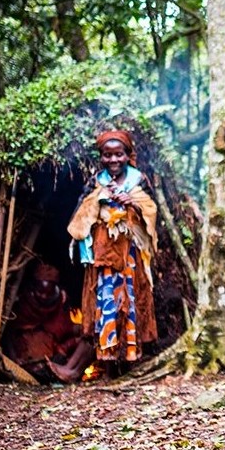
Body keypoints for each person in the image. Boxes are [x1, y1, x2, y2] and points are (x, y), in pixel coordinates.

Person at [67, 130, 158, 373]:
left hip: (130, 257)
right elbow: (79, 217)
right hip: (104, 256)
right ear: (101, 157)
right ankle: (107, 364)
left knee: (129, 302)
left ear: (128, 155)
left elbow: (151, 211)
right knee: (105, 303)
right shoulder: (96, 183)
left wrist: (133, 204)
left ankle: (129, 360)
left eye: (119, 154)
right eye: (108, 155)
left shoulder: (138, 181)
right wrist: (99, 199)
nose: (113, 159)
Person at [5, 264, 92, 383]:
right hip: (30, 353)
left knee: (87, 339)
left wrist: (85, 329)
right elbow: (9, 332)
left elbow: (64, 327)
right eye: (41, 292)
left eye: (48, 293)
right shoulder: (24, 304)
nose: (44, 296)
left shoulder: (59, 303)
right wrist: (14, 359)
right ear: (34, 287)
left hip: (55, 350)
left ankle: (66, 370)